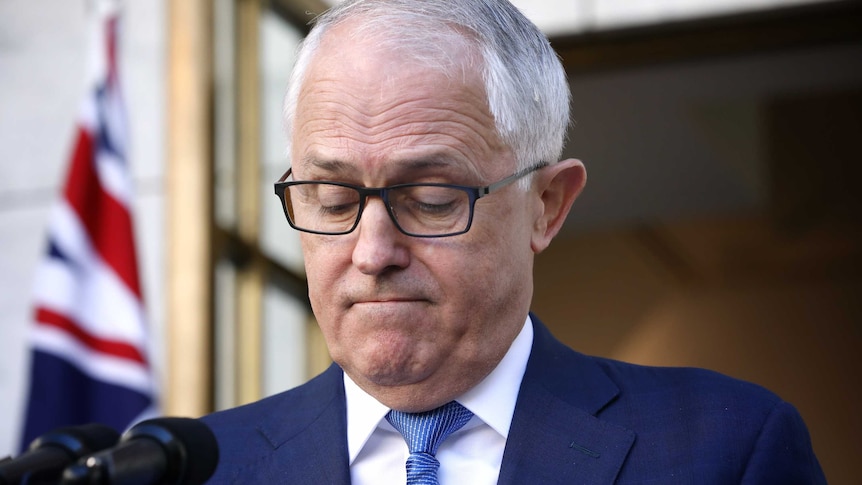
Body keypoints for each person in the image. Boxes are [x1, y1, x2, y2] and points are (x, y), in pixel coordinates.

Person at [201, 0, 826, 483]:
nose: (371, 252)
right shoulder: (199, 467)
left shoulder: (723, 450)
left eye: (431, 199)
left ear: (546, 206)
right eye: (333, 200)